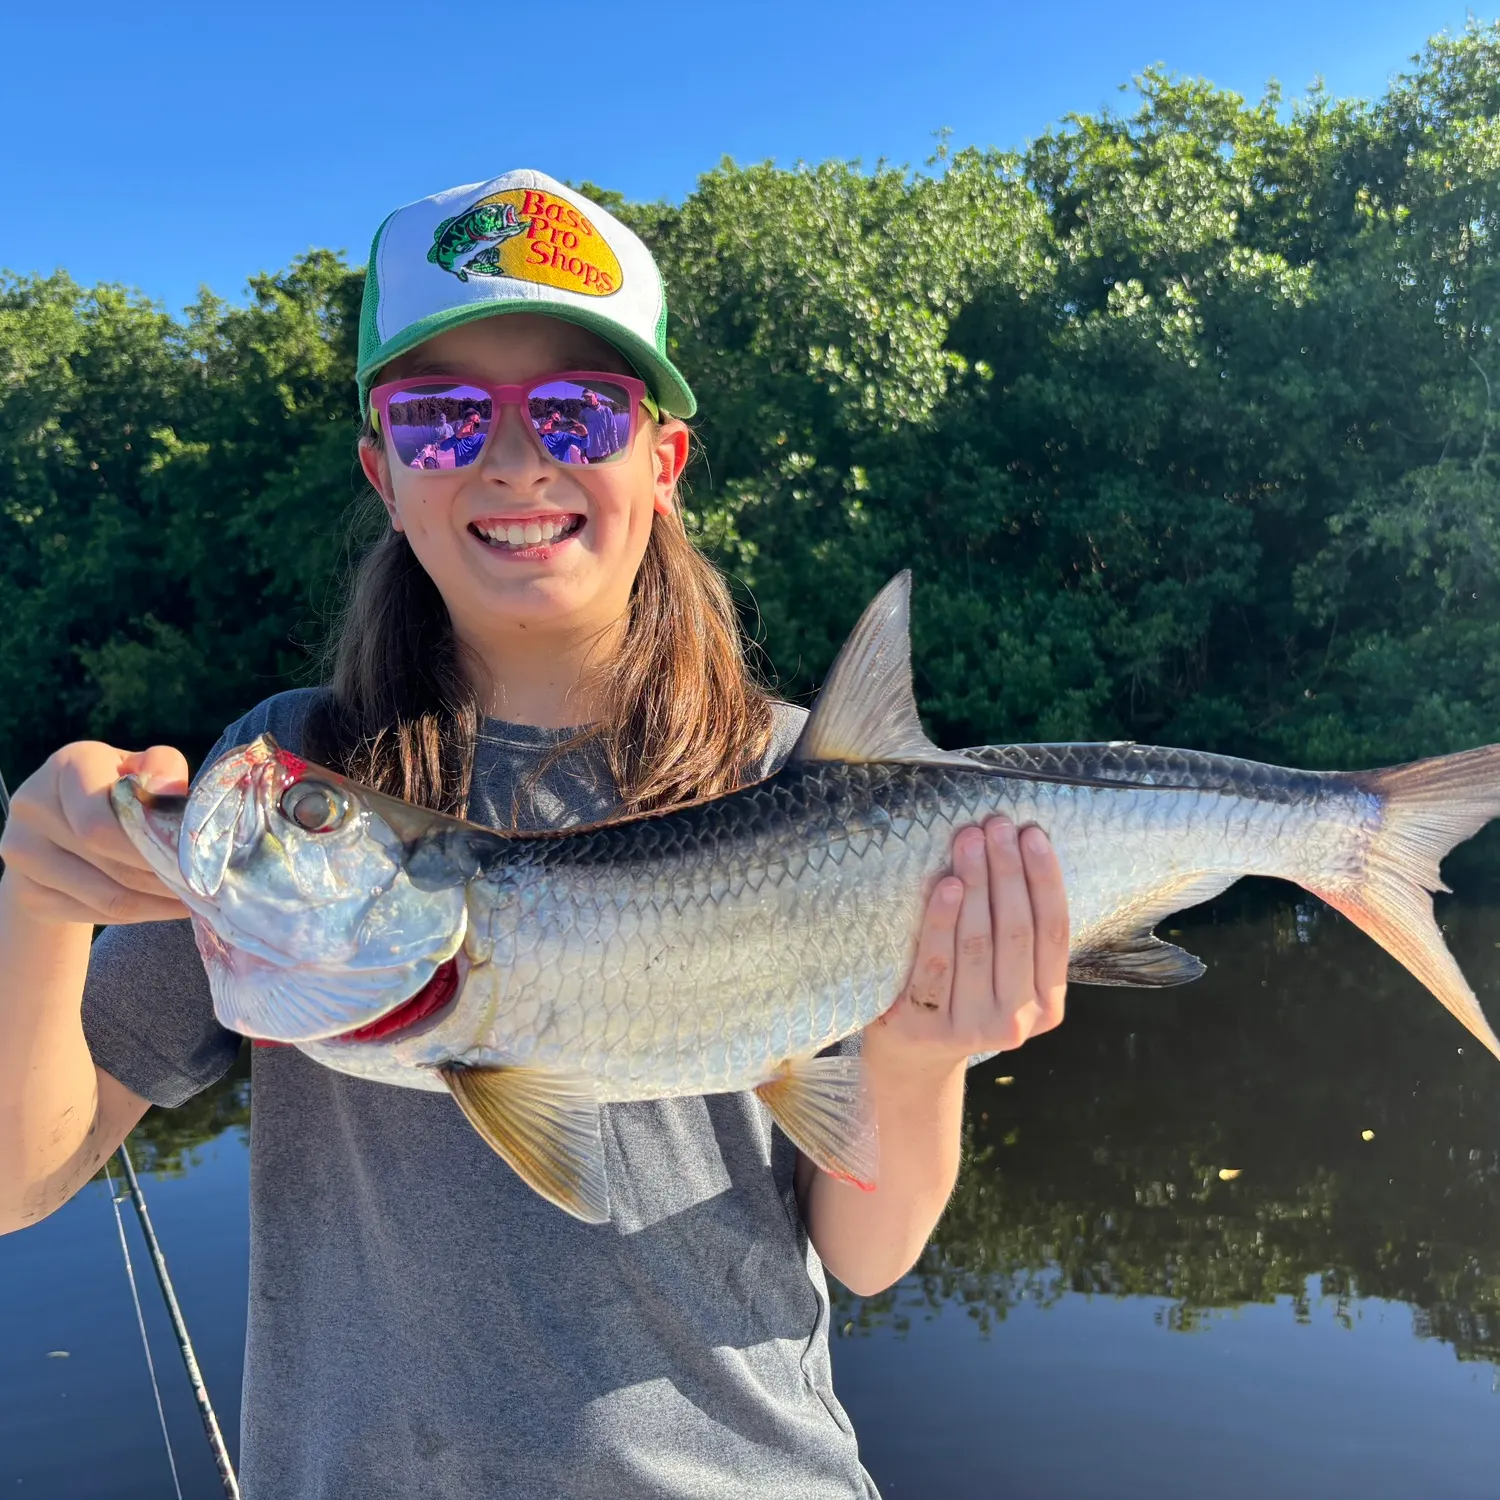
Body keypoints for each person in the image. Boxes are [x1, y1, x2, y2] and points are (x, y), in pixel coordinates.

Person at [0, 170, 1068, 1499]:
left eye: (577, 409)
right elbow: (18, 1178)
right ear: (383, 474)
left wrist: (921, 1055)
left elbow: (866, 1250)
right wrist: (40, 906)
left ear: (661, 462)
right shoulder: (288, 786)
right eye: (445, 418)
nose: (514, 459)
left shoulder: (798, 778)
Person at [579, 385, 621, 460]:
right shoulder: (583, 413)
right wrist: (582, 452)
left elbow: (612, 431)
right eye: (585, 397)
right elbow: (581, 434)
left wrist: (616, 447)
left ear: (595, 395)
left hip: (606, 453)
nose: (587, 399)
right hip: (590, 454)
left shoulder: (606, 411)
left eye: (589, 396)